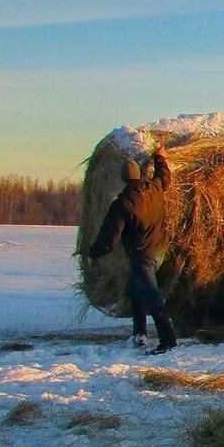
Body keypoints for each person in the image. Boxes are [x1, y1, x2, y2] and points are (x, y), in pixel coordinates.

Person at [87, 146, 178, 354]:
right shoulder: (155, 188)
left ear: (123, 179)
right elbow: (164, 176)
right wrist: (160, 158)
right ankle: (139, 334)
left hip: (142, 256)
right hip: (159, 251)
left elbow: (109, 237)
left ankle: (168, 341)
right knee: (135, 289)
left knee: (153, 298)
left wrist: (94, 254)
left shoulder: (123, 204)